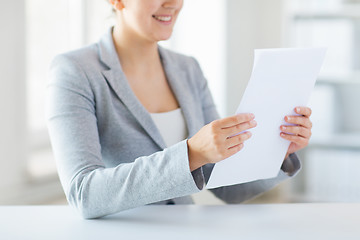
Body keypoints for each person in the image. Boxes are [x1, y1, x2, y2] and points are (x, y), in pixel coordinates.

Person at [47, 0, 312, 219]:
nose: (173, 4)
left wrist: (276, 152)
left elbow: (225, 186)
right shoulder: (75, 71)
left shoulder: (188, 69)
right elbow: (84, 193)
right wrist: (192, 154)